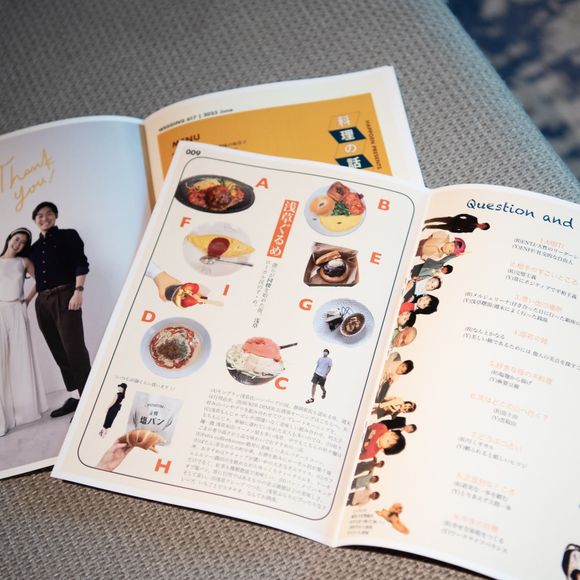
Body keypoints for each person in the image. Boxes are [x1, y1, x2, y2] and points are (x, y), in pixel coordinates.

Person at [29, 201, 91, 418]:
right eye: (39, 215)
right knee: (58, 349)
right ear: (35, 220)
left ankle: (89, 401)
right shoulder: (34, 249)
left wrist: (78, 291)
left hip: (66, 296)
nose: (44, 218)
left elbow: (81, 263)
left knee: (74, 348)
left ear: (55, 216)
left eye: (49, 214)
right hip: (42, 302)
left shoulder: (68, 235)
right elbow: (37, 278)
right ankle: (77, 398)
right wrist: (27, 300)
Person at [0, 227, 48, 436]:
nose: (18, 244)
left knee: (20, 359)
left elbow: (41, 280)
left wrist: (27, 300)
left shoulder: (24, 262)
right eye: (16, 239)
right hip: (0, 310)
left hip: (17, 312)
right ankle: (4, 417)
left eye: (22, 243)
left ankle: (23, 413)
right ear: (10, 237)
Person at [422, 213, 490, 233]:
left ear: (482, 229)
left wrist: (452, 230)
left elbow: (460, 231)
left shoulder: (471, 230)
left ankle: (426, 227)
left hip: (451, 227)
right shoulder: (474, 219)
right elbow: (465, 215)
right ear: (483, 223)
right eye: (483, 225)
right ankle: (426, 221)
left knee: (438, 226)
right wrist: (456, 217)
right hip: (452, 220)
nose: (482, 226)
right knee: (438, 219)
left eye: (483, 227)